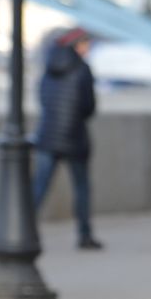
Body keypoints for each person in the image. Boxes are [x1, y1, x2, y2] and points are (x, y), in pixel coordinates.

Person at [31, 26, 101, 250]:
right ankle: (84, 235)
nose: (87, 48)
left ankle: (25, 230)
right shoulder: (82, 69)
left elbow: (42, 98)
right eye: (85, 44)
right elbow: (88, 106)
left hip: (48, 135)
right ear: (76, 45)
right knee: (81, 188)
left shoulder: (49, 67)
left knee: (40, 187)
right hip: (74, 137)